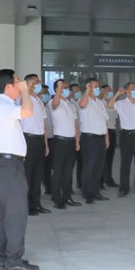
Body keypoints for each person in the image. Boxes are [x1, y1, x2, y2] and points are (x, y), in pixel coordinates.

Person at [0, 69, 39, 270]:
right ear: (9, 86)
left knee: (4, 213)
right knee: (16, 213)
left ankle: (4, 256)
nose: (20, 84)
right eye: (17, 82)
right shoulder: (3, 106)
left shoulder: (1, 104)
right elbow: (28, 111)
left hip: (4, 164)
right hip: (9, 166)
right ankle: (14, 259)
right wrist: (25, 91)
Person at [108, 82, 135, 198]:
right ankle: (123, 189)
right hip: (126, 136)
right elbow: (110, 106)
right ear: (127, 91)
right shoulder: (121, 103)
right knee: (125, 164)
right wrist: (117, 94)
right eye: (132, 88)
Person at [21, 74, 51, 216]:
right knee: (28, 174)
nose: (37, 85)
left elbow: (42, 124)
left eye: (38, 82)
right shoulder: (23, 99)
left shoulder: (39, 100)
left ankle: (36, 203)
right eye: (34, 82)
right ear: (27, 84)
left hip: (39, 140)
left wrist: (46, 144)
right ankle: (26, 205)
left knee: (38, 174)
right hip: (28, 139)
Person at [49, 79, 81, 209]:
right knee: (58, 171)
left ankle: (67, 196)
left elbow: (75, 125)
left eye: (66, 87)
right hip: (59, 141)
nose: (66, 89)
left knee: (68, 171)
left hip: (71, 141)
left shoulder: (70, 105)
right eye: (63, 87)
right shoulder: (54, 102)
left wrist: (77, 141)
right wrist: (59, 89)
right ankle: (56, 198)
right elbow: (55, 104)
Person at [77, 78, 109, 204]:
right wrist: (87, 91)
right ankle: (87, 194)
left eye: (97, 86)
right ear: (88, 87)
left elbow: (105, 120)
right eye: (94, 86)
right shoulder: (84, 100)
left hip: (101, 138)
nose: (96, 89)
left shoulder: (100, 102)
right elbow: (82, 105)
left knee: (99, 166)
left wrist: (106, 138)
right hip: (89, 138)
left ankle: (96, 191)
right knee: (89, 167)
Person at [100, 84, 119, 188]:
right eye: (108, 90)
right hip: (104, 132)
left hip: (112, 131)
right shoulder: (100, 103)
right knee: (103, 158)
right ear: (103, 91)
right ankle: (100, 180)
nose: (111, 92)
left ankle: (108, 179)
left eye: (111, 90)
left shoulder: (114, 104)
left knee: (110, 158)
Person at [69, 83, 83, 190]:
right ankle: (68, 187)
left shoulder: (81, 102)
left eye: (79, 90)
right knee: (71, 163)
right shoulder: (70, 104)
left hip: (82, 135)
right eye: (76, 91)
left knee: (82, 162)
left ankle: (80, 183)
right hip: (72, 137)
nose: (78, 92)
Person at [42, 85, 54, 195]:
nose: (46, 95)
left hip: (52, 139)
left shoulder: (49, 106)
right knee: (44, 166)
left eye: (47, 93)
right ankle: (48, 186)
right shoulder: (38, 107)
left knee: (50, 165)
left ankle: (51, 185)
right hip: (42, 140)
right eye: (44, 93)